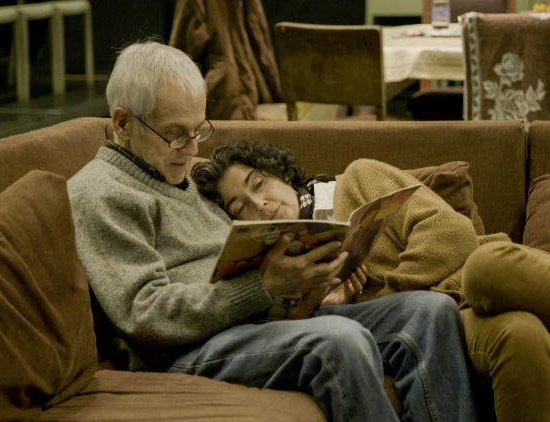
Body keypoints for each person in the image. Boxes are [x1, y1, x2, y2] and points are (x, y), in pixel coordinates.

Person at [67, 40, 479, 422]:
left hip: (254, 324)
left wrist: (304, 283)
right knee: (339, 340)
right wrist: (263, 286)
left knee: (429, 312)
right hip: (185, 350)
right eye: (175, 134)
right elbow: (144, 317)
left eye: (198, 131)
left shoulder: (177, 175)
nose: (192, 149)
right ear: (123, 122)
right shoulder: (100, 192)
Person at [192, 140, 550, 422]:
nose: (259, 203)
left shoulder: (357, 179)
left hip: (495, 284)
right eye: (240, 205)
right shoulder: (272, 267)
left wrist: (395, 293)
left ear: (280, 172)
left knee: (486, 266)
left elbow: (450, 234)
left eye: (258, 184)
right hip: (453, 328)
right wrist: (340, 305)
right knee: (521, 337)